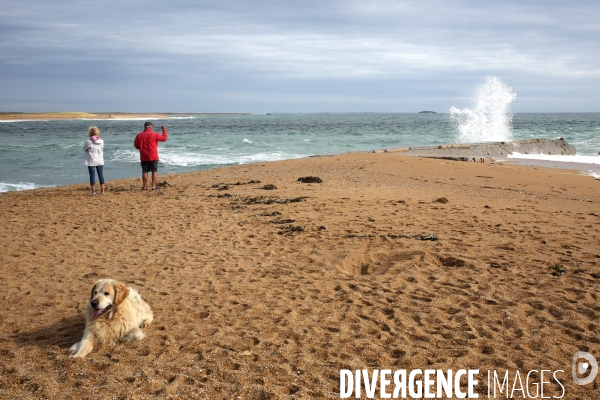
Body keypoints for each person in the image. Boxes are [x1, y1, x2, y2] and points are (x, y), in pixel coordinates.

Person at [133, 121, 168, 190]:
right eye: (152, 126)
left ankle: (144, 186)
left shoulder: (139, 135)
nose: (152, 127)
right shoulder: (154, 134)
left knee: (145, 171)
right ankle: (153, 186)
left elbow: (136, 145)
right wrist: (164, 130)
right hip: (153, 155)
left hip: (144, 156)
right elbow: (164, 138)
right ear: (149, 127)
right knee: (154, 171)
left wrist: (142, 148)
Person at [83, 126, 105, 195]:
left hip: (91, 160)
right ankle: (102, 191)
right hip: (100, 160)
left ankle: (93, 191)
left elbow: (84, 149)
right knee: (100, 174)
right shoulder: (101, 141)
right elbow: (102, 148)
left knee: (92, 175)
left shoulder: (88, 141)